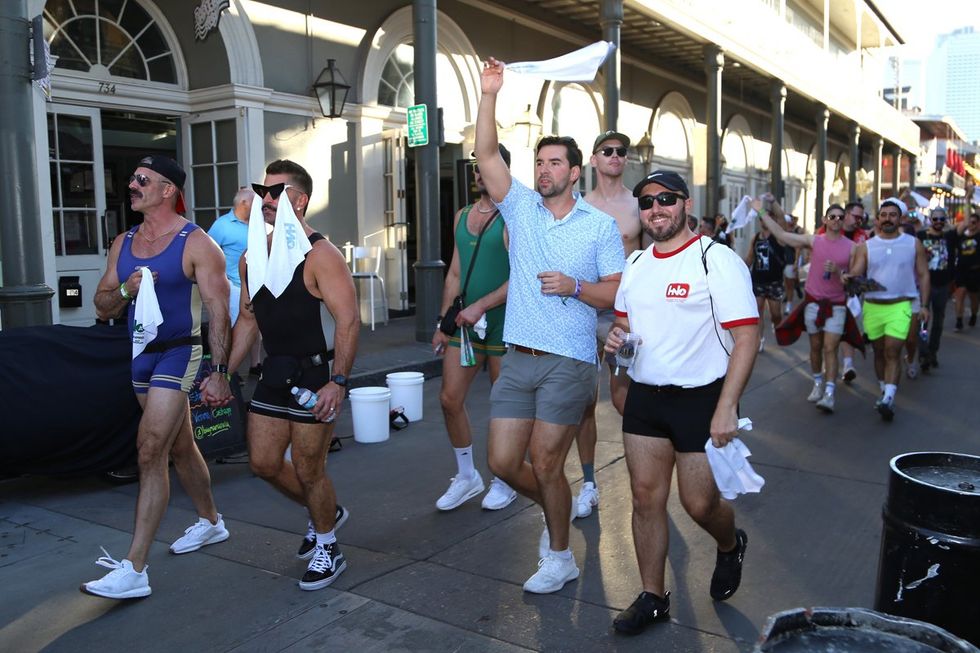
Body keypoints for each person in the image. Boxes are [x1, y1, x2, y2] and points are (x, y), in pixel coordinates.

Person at [475, 57, 624, 595]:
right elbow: (486, 154)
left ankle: (560, 557)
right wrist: (489, 92)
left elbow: (617, 291)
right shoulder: (520, 208)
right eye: (539, 162)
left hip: (570, 361)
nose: (543, 170)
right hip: (519, 357)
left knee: (544, 461)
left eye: (554, 163)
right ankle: (557, 507)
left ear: (575, 172)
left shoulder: (600, 227)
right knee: (502, 462)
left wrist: (576, 287)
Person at [608, 169, 759, 636]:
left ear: (686, 205)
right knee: (644, 499)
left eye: (666, 199)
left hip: (701, 398)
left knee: (699, 504)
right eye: (647, 202)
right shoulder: (636, 264)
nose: (656, 209)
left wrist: (727, 406)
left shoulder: (716, 260)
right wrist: (616, 354)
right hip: (645, 397)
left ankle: (730, 543)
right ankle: (653, 597)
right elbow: (624, 328)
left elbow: (747, 337)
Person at [85, 155, 233, 599]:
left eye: (142, 180)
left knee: (150, 449)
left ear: (168, 190)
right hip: (140, 356)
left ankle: (134, 568)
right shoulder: (123, 242)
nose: (132, 185)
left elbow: (219, 312)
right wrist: (126, 288)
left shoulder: (197, 243)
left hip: (179, 352)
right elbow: (102, 306)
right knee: (179, 445)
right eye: (132, 178)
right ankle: (211, 521)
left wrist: (220, 372)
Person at [221, 159, 359, 590]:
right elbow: (248, 321)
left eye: (276, 192)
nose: (265, 198)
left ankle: (328, 545)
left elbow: (349, 320)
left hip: (315, 375)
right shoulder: (252, 257)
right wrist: (222, 373)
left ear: (299, 201)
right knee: (263, 463)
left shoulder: (321, 255)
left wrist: (338, 381)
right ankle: (326, 512)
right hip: (274, 373)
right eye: (262, 190)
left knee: (308, 468)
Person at [431, 146, 516, 512]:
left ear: (502, 169)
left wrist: (483, 305)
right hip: (465, 322)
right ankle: (467, 475)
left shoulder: (514, 217)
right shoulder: (462, 215)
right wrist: (443, 322)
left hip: (504, 321)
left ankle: (505, 477)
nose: (480, 173)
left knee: (505, 405)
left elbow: (522, 276)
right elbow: (454, 272)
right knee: (449, 399)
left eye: (486, 166)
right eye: (476, 167)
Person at [571, 129, 645, 519]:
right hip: (585, 311)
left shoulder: (639, 205)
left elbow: (651, 259)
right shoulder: (580, 206)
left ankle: (644, 475)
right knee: (584, 402)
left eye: (620, 151)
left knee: (623, 398)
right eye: (607, 150)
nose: (615, 155)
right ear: (594, 159)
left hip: (624, 315)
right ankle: (588, 483)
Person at [762, 200, 854, 413]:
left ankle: (829, 393)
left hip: (837, 305)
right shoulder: (814, 241)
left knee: (830, 347)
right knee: (815, 346)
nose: (837, 220)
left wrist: (840, 273)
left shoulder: (852, 247)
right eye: (832, 217)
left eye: (841, 217)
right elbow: (781, 234)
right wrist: (761, 212)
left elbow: (855, 278)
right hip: (813, 303)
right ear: (825, 220)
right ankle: (818, 382)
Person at [848, 198, 930, 421]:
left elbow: (923, 274)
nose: (887, 219)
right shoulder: (867, 246)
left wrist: (924, 305)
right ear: (877, 219)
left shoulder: (913, 244)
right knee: (879, 352)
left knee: (893, 351)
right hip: (873, 306)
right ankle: (884, 390)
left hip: (901, 305)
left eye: (892, 215)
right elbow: (856, 271)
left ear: (900, 218)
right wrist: (848, 276)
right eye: (883, 215)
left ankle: (888, 399)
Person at [916, 207, 957, 369]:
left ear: (945, 220)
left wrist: (968, 199)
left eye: (942, 219)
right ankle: (923, 353)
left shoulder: (949, 236)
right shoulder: (921, 236)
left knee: (938, 322)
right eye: (935, 219)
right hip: (925, 285)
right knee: (923, 322)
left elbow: (966, 223)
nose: (938, 222)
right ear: (930, 220)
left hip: (943, 285)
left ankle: (932, 352)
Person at [208, 187, 254, 326]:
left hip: (258, 287)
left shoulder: (259, 223)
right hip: (235, 289)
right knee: (238, 328)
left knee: (257, 331)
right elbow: (208, 254)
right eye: (254, 201)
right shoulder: (222, 225)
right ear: (244, 203)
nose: (259, 205)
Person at [744, 213, 786, 351]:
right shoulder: (756, 237)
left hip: (774, 281)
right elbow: (750, 257)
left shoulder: (778, 237)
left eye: (768, 219)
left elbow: (782, 220)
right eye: (761, 219)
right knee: (757, 311)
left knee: (776, 314)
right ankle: (760, 339)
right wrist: (741, 269)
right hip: (758, 280)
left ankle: (776, 324)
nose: (764, 221)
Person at [953, 212, 980, 331]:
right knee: (960, 295)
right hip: (961, 271)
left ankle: (974, 315)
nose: (971, 225)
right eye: (969, 222)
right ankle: (959, 321)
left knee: (974, 298)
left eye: (973, 223)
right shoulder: (961, 236)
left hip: (975, 272)